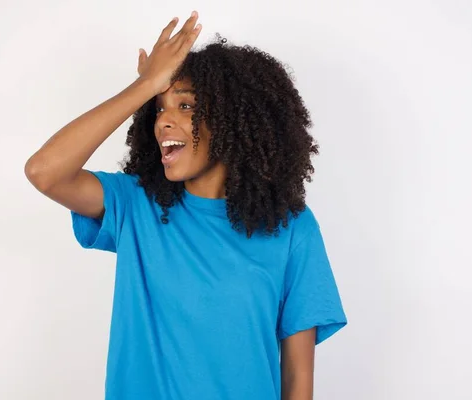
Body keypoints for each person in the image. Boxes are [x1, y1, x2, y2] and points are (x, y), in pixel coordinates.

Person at [25, 10, 347, 400]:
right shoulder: (135, 205)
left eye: (186, 106)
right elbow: (45, 171)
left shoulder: (291, 228)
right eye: (159, 107)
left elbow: (297, 380)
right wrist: (144, 86)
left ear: (229, 121)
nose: (164, 122)